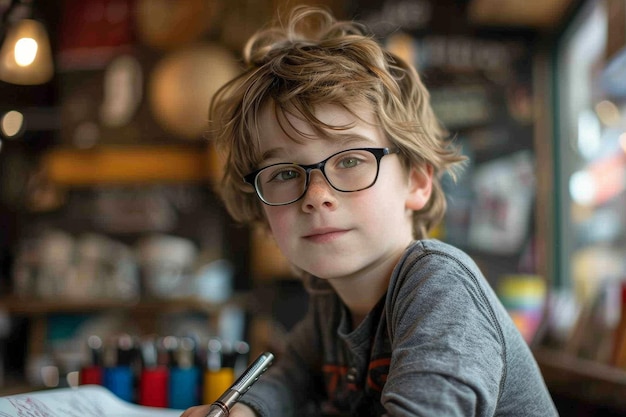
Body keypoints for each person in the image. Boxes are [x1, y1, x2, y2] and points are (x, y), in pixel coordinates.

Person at [182, 5, 558, 417]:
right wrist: (247, 411)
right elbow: (291, 377)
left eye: (349, 160)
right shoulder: (331, 301)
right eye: (286, 172)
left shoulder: (440, 286)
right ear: (263, 210)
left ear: (416, 181)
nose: (316, 195)